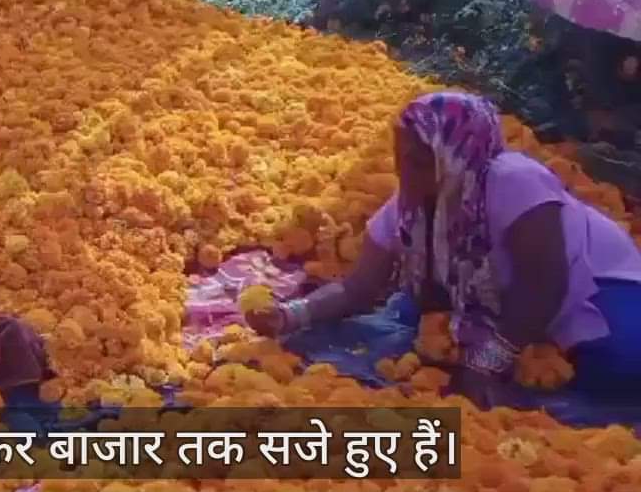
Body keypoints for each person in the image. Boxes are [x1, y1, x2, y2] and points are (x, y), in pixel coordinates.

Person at [246, 91, 641, 407]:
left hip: (592, 283)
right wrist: (288, 317)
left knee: (620, 367)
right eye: (401, 157)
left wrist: (486, 362)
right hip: (501, 297)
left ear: (459, 155)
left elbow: (545, 284)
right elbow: (358, 288)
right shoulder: (406, 209)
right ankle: (518, 339)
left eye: (419, 161)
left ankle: (531, 342)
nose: (405, 172)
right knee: (414, 318)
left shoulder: (514, 180)